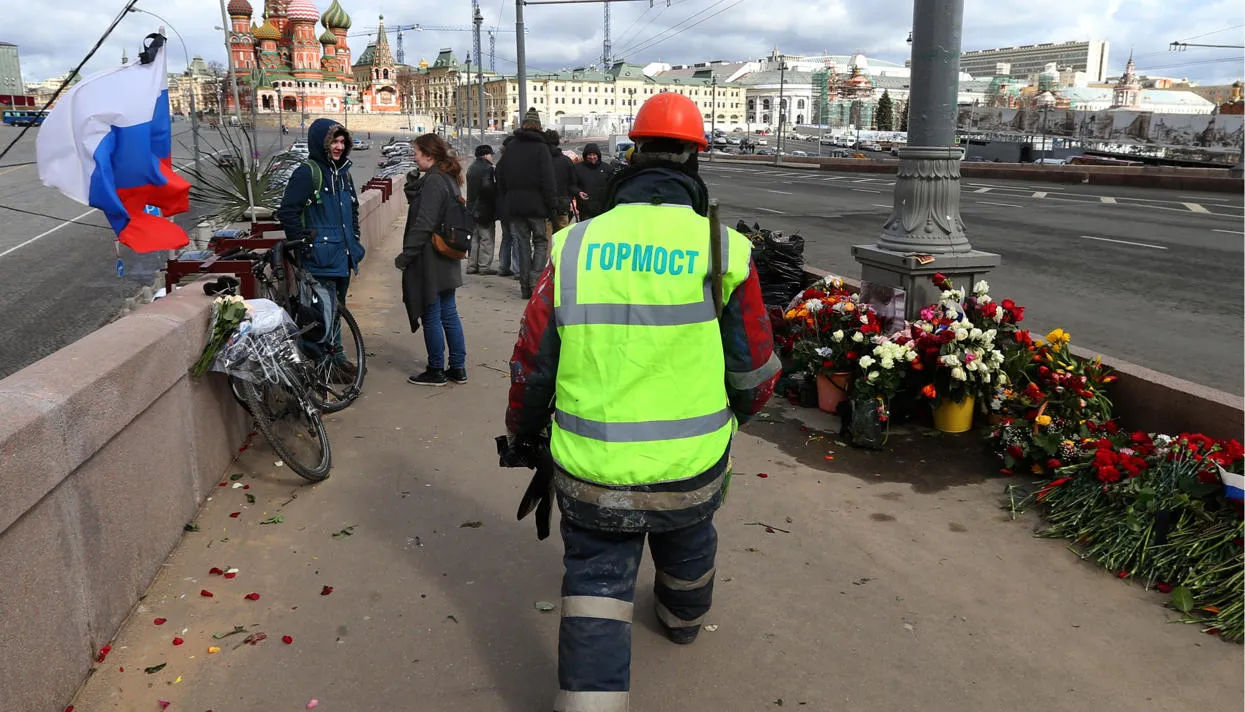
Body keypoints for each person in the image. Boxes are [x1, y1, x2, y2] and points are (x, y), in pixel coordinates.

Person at [504, 92, 781, 712]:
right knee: (688, 539)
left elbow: (531, 363)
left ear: (633, 153)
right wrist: (733, 416)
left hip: (593, 467)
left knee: (597, 582)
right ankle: (683, 619)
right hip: (692, 463)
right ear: (695, 160)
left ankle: (590, 703)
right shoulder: (725, 248)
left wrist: (523, 434)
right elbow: (755, 368)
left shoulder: (574, 246)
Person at [276, 117, 364, 381]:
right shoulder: (308, 172)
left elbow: (353, 208)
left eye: (341, 142)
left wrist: (355, 237)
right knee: (320, 315)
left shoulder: (342, 173)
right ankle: (322, 369)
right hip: (319, 258)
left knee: (337, 309)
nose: (338, 147)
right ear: (320, 143)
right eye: (333, 142)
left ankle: (336, 359)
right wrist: (302, 245)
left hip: (343, 255)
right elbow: (288, 211)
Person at [395, 133, 468, 387]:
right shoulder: (447, 178)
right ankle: (457, 367)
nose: (413, 157)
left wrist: (406, 256)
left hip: (432, 257)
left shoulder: (435, 182)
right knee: (448, 312)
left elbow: (424, 223)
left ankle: (436, 368)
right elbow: (422, 204)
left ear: (428, 154)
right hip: (447, 254)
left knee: (432, 313)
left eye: (416, 152)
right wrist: (414, 180)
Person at [496, 107, 556, 299]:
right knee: (540, 242)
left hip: (515, 204)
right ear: (539, 127)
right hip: (537, 205)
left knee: (522, 244)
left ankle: (524, 287)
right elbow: (548, 180)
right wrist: (552, 204)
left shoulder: (511, 147)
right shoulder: (541, 148)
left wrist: (507, 199)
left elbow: (500, 175)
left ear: (522, 126)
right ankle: (535, 281)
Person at [465, 144, 498, 275]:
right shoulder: (487, 168)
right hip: (484, 208)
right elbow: (487, 188)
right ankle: (484, 267)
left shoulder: (471, 168)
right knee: (487, 238)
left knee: (474, 238)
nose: (492, 157)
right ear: (485, 155)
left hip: (471, 207)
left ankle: (472, 266)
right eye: (491, 155)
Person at [544, 129, 578, 231]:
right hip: (563, 202)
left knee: (547, 234)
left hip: (545, 203)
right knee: (562, 231)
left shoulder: (541, 160)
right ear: (557, 141)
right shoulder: (566, 160)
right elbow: (573, 182)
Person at [572, 142, 613, 220]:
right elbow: (572, 185)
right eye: (589, 155)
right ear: (585, 155)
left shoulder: (607, 168)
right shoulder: (577, 168)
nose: (592, 157)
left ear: (598, 155)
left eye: (594, 154)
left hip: (603, 209)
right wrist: (578, 192)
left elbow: (612, 186)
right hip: (585, 210)